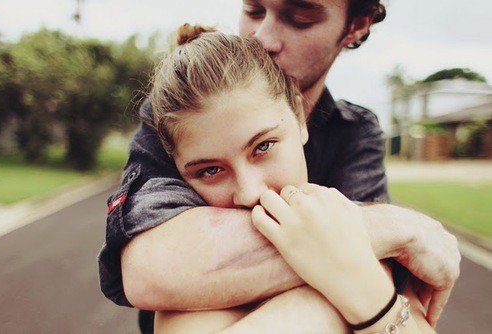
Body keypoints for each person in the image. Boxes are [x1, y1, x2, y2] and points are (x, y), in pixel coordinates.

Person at [98, 0, 460, 332]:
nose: (263, 38)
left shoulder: (354, 132)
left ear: (356, 25)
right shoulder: (178, 113)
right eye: (254, 10)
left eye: (299, 18)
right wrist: (394, 228)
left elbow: (404, 306)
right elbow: (151, 271)